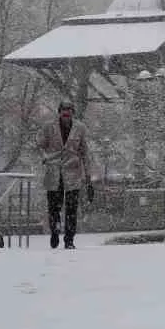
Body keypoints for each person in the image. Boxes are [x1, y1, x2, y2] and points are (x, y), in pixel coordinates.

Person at [41, 101, 93, 249]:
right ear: (59, 112)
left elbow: (85, 153)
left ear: (73, 112)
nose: (66, 113)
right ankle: (55, 231)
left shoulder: (80, 128)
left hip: (73, 173)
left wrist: (88, 178)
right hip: (54, 172)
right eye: (64, 110)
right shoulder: (48, 127)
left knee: (71, 209)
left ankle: (69, 239)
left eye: (69, 110)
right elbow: (39, 146)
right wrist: (46, 158)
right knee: (54, 207)